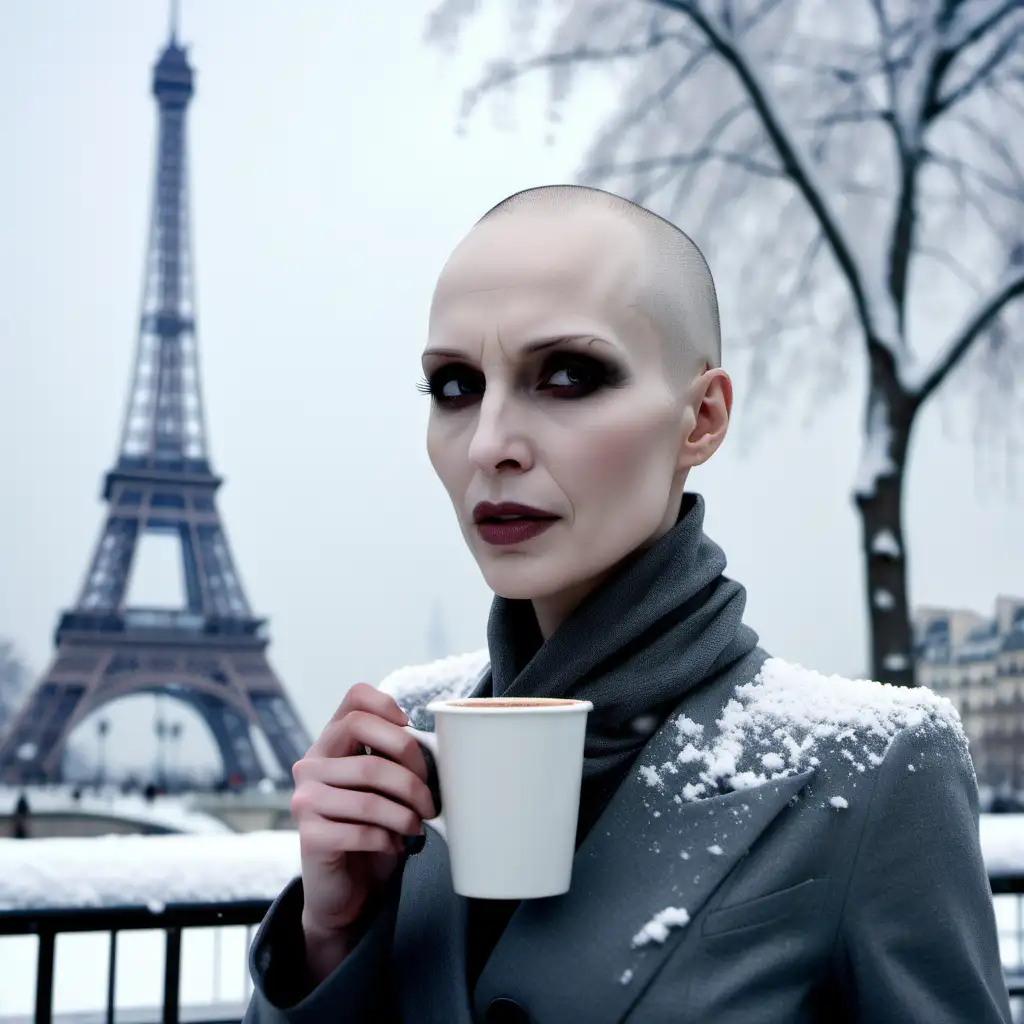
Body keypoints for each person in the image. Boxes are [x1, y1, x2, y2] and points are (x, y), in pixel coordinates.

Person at [244, 185, 1011, 1023]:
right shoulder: (407, 740)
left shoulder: (876, 766)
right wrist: (328, 937)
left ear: (702, 418)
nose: (491, 444)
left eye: (567, 375)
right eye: (456, 385)